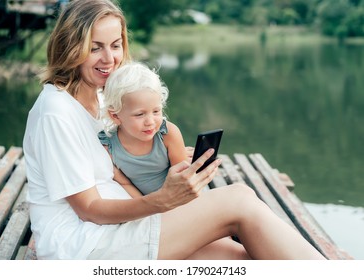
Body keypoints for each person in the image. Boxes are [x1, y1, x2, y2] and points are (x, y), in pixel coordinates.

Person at [23, 0, 326, 260]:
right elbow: (88, 209)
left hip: (121, 224)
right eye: (95, 48)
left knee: (246, 258)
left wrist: (167, 158)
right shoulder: (56, 112)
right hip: (83, 247)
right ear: (70, 47)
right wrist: (161, 201)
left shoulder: (104, 99)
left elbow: (118, 157)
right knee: (238, 199)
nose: (110, 59)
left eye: (116, 45)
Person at [98, 61, 188, 196]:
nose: (150, 122)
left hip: (180, 198)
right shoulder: (109, 146)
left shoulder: (168, 134)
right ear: (115, 116)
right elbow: (124, 183)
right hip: (146, 206)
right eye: (140, 114)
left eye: (156, 111)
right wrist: (149, 208)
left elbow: (183, 178)